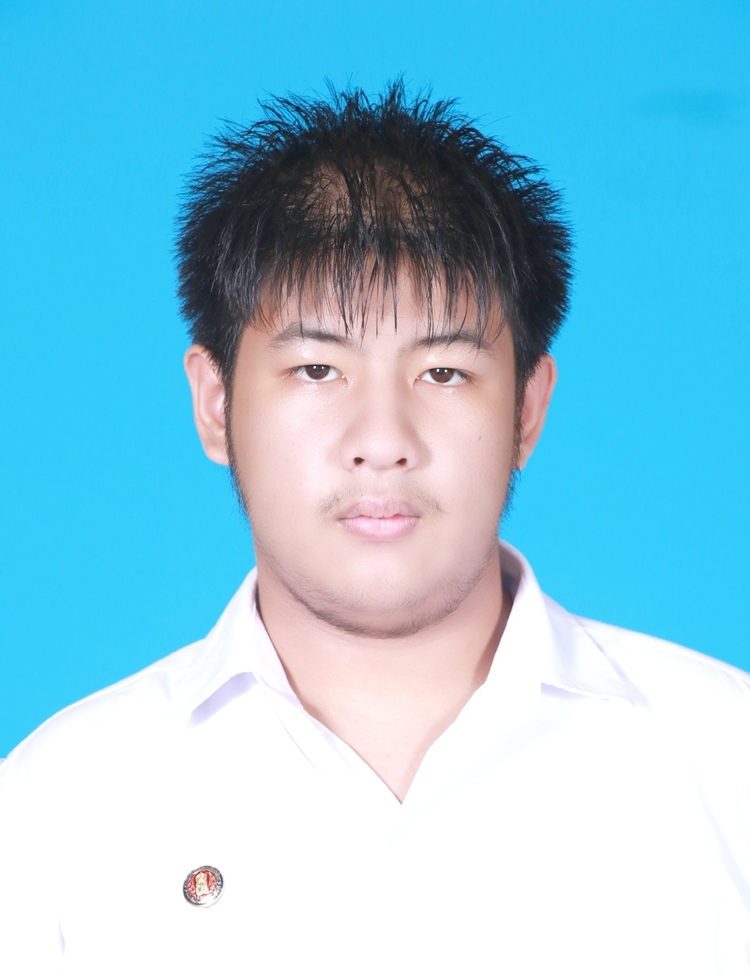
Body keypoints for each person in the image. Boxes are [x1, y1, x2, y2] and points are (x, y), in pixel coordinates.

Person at [1, 82, 748, 974]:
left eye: (443, 372)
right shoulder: (56, 810)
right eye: (318, 369)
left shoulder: (725, 761)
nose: (383, 440)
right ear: (215, 403)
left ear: (527, 409)